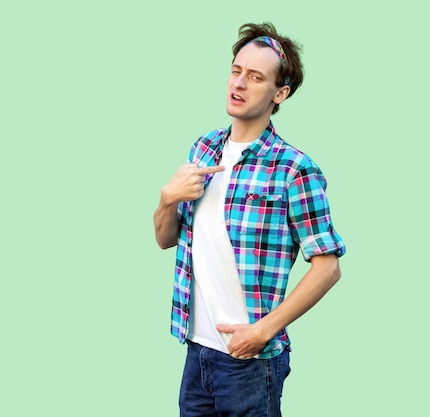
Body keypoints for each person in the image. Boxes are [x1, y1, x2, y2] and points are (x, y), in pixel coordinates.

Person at [153, 22, 346, 417]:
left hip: (250, 362)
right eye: (236, 70)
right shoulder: (203, 148)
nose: (238, 83)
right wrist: (167, 199)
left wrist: (262, 331)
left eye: (255, 77)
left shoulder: (293, 168)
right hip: (196, 350)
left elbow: (328, 268)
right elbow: (165, 239)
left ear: (280, 93)